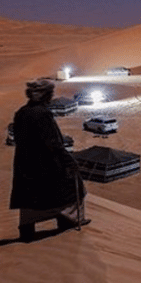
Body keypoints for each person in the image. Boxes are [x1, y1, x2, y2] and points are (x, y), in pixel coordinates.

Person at [9, 79, 90, 242]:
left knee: (29, 196)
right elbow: (53, 143)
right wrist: (69, 161)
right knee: (72, 188)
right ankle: (69, 220)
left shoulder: (21, 112)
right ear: (47, 96)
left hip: (25, 163)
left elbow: (18, 136)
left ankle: (26, 229)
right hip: (46, 163)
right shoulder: (42, 114)